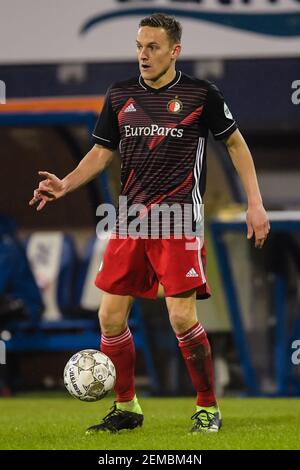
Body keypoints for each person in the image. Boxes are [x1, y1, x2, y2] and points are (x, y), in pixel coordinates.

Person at [29, 13, 270, 434]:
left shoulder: (200, 94)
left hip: (179, 223)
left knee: (180, 317)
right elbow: (102, 153)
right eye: (139, 45)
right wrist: (64, 185)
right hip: (131, 224)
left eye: (153, 47)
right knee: (109, 318)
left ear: (175, 51)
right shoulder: (120, 95)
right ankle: (127, 407)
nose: (143, 54)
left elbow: (235, 144)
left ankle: (208, 408)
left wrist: (255, 203)